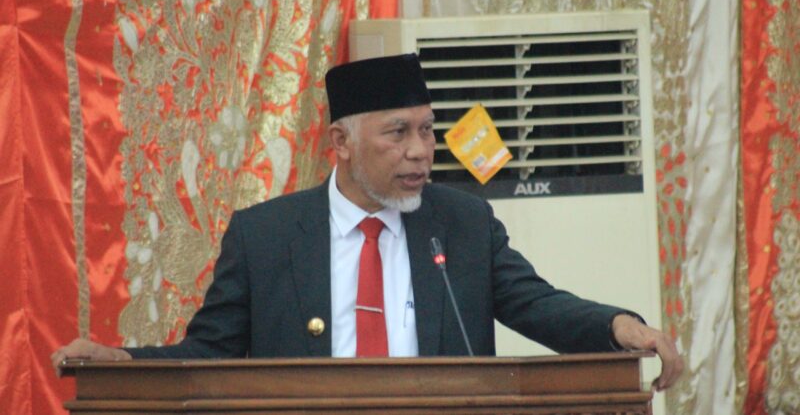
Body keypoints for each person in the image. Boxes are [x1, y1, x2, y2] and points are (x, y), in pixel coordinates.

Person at [53, 53, 683, 390]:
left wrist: (620, 326)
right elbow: (208, 354)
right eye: (398, 133)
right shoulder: (265, 236)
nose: (420, 151)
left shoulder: (461, 223)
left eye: (428, 131)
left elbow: (537, 305)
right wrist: (122, 361)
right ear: (342, 143)